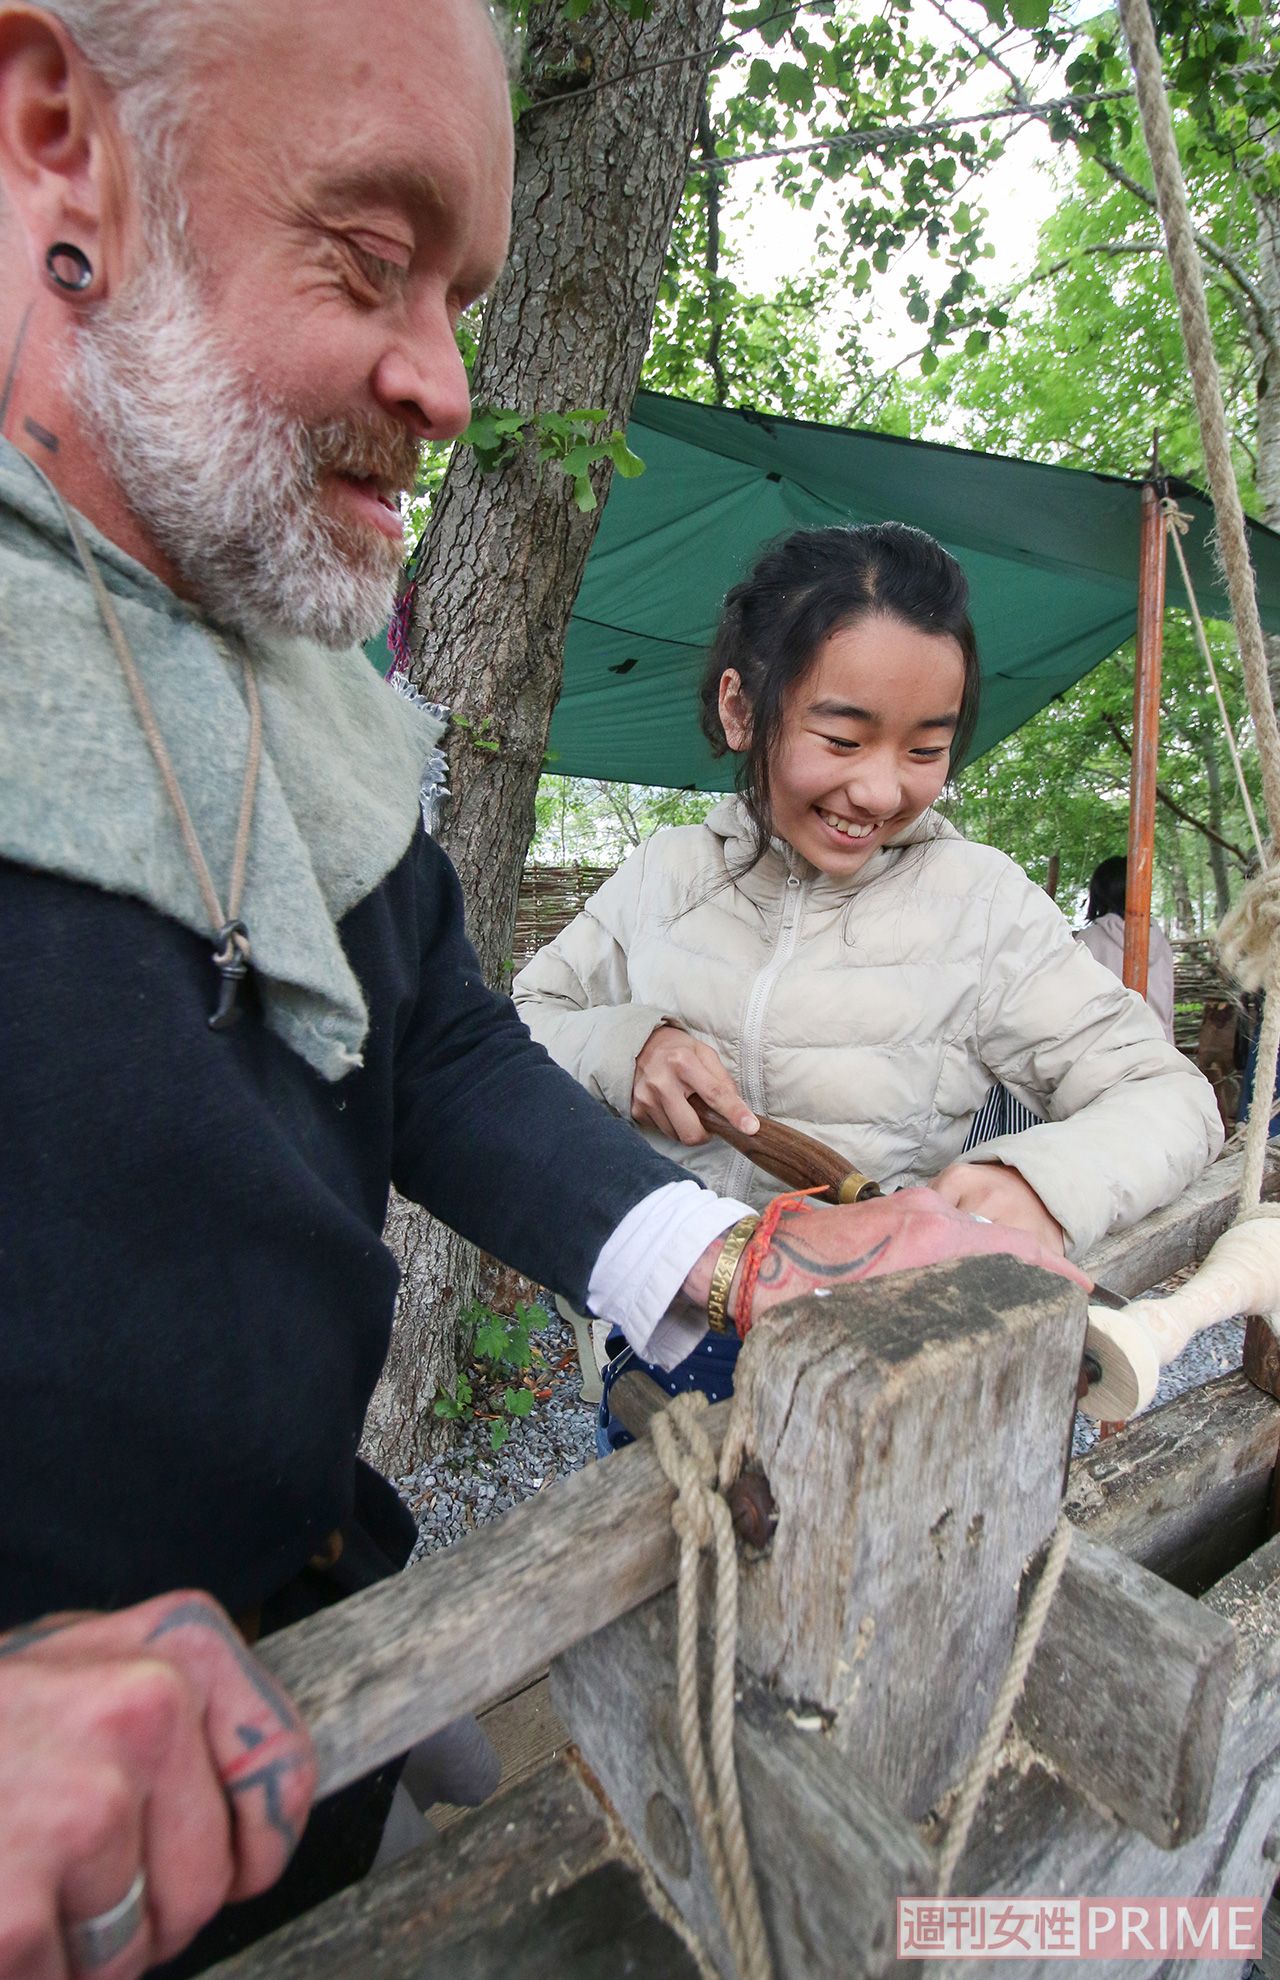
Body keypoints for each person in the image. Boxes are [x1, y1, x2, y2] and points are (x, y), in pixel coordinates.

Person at [0, 5, 1097, 1974]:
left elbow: (433, 1043)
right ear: (57, 130)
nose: (439, 383)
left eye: (465, 294)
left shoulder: (308, 695)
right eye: (365, 253)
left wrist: (722, 1263)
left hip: (325, 1684)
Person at [514, 524, 1223, 1442]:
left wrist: (1039, 1183)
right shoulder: (665, 878)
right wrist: (629, 1045)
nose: (883, 791)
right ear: (741, 708)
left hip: (879, 1360)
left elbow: (1170, 1096)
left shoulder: (980, 908)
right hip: (667, 1334)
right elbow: (526, 1017)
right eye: (844, 738)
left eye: (925, 751)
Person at [1076, 854, 1177, 1043]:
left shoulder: (1089, 940)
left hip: (1110, 1054)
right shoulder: (1160, 942)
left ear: (1099, 892)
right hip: (1159, 1049)